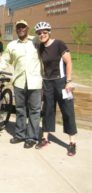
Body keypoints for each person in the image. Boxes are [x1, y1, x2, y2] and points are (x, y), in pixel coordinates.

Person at [0, 20, 42, 148]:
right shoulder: (12, 45)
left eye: (23, 27)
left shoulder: (36, 41)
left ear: (27, 28)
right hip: (19, 82)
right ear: (16, 30)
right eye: (18, 27)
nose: (21, 29)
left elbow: (49, 49)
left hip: (35, 82)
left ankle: (31, 137)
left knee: (34, 111)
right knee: (20, 110)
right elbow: (4, 60)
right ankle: (20, 135)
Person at [34, 21, 77, 156]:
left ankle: (72, 143)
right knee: (47, 111)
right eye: (39, 33)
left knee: (67, 111)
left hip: (61, 82)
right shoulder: (40, 47)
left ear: (49, 32)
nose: (42, 35)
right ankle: (45, 138)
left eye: (45, 32)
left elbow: (68, 61)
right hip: (47, 83)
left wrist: (69, 81)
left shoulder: (59, 44)